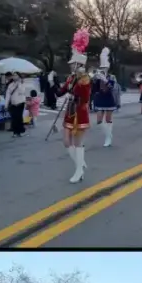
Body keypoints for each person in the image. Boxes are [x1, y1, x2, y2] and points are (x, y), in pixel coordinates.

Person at [57, 29, 91, 183]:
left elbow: (85, 96)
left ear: (78, 64)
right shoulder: (71, 78)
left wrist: (75, 90)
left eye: (73, 64)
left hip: (80, 112)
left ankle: (78, 171)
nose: (70, 66)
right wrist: (52, 84)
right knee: (66, 141)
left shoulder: (84, 79)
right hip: (69, 111)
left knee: (78, 143)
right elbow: (60, 92)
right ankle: (80, 164)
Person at [92, 47, 120, 147]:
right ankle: (108, 134)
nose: (103, 69)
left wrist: (104, 79)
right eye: (102, 67)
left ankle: (108, 138)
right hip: (100, 99)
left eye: (105, 68)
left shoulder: (112, 77)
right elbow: (94, 89)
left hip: (108, 99)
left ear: (108, 68)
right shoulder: (98, 76)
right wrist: (94, 80)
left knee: (108, 119)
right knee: (99, 120)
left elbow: (112, 87)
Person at [5, 72, 27, 138]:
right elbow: (7, 95)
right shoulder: (10, 85)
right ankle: (15, 132)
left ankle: (20, 131)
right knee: (14, 118)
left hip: (20, 103)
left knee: (19, 117)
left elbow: (22, 92)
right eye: (13, 75)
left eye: (16, 75)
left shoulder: (22, 83)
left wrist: (20, 83)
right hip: (13, 103)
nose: (14, 76)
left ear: (19, 76)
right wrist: (6, 105)